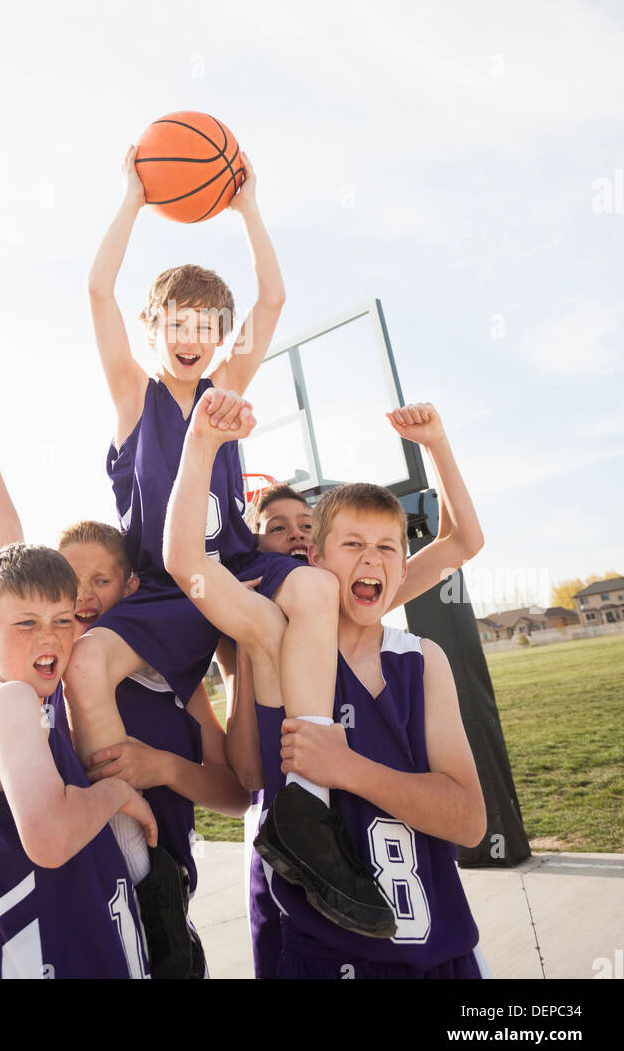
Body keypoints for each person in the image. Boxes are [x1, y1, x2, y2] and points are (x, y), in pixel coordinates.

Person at [66, 145, 389, 935]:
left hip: (234, 566)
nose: (194, 337)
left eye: (207, 329)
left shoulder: (227, 390)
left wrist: (246, 208)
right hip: (167, 588)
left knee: (312, 588)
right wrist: (133, 201)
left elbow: (273, 298)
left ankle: (304, 816)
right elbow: (97, 290)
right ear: (154, 328)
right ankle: (145, 871)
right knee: (89, 665)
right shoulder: (135, 395)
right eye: (177, 324)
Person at [163, 388, 489, 978]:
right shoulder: (276, 638)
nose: (374, 560)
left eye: (388, 548)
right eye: (354, 546)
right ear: (314, 556)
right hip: (331, 955)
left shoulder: (420, 660)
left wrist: (436, 444)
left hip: (441, 945)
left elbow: (469, 822)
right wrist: (204, 443)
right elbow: (186, 561)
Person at [0, 390, 250, 976]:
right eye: (70, 585)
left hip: (155, 904)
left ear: (132, 588)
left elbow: (238, 796)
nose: (83, 596)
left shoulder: (172, 681)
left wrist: (160, 769)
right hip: (76, 919)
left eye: (100, 581)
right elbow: (8, 550)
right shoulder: (41, 683)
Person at [0, 541, 152, 979]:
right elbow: (51, 839)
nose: (48, 637)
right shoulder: (10, 700)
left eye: (63, 621)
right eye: (26, 623)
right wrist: (117, 792)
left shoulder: (29, 701)